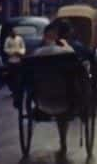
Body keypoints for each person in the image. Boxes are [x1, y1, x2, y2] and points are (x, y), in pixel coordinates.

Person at [33, 22, 76, 157]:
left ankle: (62, 142)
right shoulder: (66, 51)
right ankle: (63, 141)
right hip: (64, 100)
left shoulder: (36, 53)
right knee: (62, 117)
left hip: (41, 101)